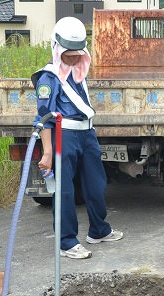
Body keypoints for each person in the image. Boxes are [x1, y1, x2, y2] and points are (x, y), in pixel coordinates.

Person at [32, 16, 123, 259]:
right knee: (65, 191)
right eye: (68, 54)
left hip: (87, 133)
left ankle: (99, 230)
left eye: (77, 53)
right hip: (64, 134)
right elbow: (44, 118)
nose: (73, 58)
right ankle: (66, 242)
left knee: (96, 184)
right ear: (57, 49)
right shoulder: (48, 78)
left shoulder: (78, 73)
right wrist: (48, 153)